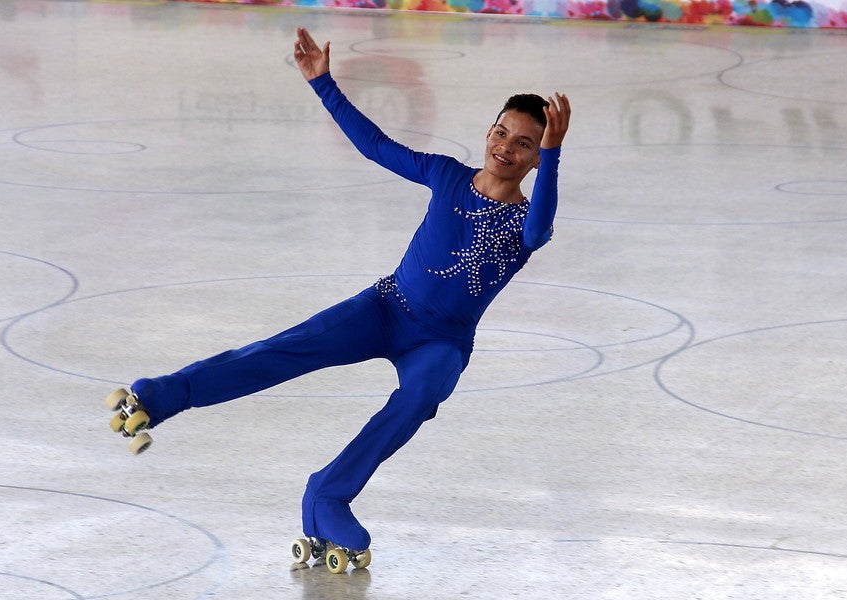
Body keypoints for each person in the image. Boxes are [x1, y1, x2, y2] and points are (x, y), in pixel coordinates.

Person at [110, 27, 570, 558]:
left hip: (440, 343)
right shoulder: (446, 175)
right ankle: (163, 395)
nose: (505, 147)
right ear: (488, 131)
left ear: (538, 158)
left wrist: (556, 155)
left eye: (525, 144)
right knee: (283, 350)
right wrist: (322, 82)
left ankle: (329, 494)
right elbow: (376, 146)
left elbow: (538, 231)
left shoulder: (525, 221)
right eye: (500, 132)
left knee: (422, 395)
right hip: (386, 309)